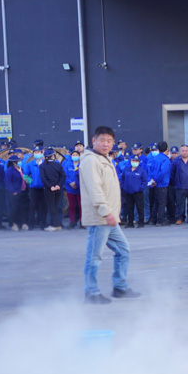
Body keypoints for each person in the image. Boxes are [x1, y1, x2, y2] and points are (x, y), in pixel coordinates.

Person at [80, 126, 140, 304]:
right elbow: (95, 189)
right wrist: (106, 211)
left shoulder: (104, 158)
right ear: (94, 141)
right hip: (101, 217)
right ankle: (91, 292)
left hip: (110, 217)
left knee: (123, 250)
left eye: (109, 141)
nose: (106, 144)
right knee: (94, 256)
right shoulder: (91, 160)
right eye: (102, 140)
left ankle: (120, 287)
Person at [170, 145, 188, 224]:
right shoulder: (176, 161)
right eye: (183, 151)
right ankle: (179, 218)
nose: (185, 152)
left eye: (186, 151)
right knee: (180, 203)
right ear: (180, 152)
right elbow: (172, 173)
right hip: (180, 186)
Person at [39, 148, 66, 231]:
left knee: (52, 207)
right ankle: (57, 223)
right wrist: (59, 185)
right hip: (57, 188)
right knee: (56, 206)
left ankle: (55, 224)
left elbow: (43, 178)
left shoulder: (42, 166)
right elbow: (63, 176)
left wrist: (51, 186)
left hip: (49, 189)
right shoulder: (57, 164)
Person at [119, 150, 148, 228]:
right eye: (133, 160)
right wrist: (123, 187)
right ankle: (130, 222)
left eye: (136, 160)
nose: (134, 162)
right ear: (130, 161)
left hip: (138, 192)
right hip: (128, 192)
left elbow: (145, 181)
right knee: (129, 208)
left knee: (140, 208)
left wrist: (140, 188)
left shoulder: (141, 170)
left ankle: (141, 222)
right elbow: (122, 178)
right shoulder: (126, 169)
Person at [147, 142, 171, 226]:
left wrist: (152, 180)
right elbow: (163, 172)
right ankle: (160, 220)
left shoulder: (155, 158)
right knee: (162, 202)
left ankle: (153, 219)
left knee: (156, 202)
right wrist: (156, 180)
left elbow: (150, 170)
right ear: (167, 149)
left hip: (154, 183)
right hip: (162, 184)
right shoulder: (165, 159)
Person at [4, 154, 27, 231]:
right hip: (15, 192)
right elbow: (8, 182)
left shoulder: (21, 169)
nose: (19, 162)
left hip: (22, 191)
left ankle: (22, 223)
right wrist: (13, 191)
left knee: (22, 208)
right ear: (14, 162)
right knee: (14, 208)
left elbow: (24, 178)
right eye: (18, 161)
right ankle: (12, 223)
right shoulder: (10, 170)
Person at [64, 148, 82, 228]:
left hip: (80, 188)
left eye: (76, 155)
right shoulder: (67, 164)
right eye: (73, 155)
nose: (75, 156)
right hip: (70, 188)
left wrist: (77, 184)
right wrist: (70, 183)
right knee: (72, 206)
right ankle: (72, 222)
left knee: (81, 206)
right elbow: (65, 175)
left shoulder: (82, 164)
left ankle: (82, 222)